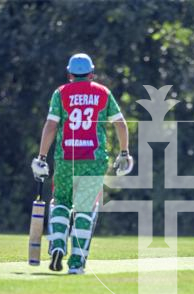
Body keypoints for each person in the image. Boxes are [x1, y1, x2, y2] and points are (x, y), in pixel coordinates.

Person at [31, 53, 132, 274]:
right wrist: (124, 152)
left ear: (69, 74)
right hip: (94, 161)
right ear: (91, 74)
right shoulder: (103, 93)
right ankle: (76, 263)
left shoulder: (61, 93)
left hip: (66, 159)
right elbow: (121, 124)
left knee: (61, 203)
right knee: (86, 210)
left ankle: (58, 244)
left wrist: (41, 157)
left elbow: (50, 126)